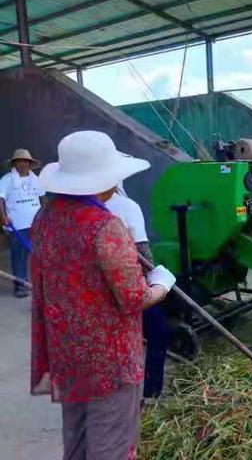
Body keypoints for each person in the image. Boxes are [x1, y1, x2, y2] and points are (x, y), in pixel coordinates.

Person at [30, 131, 176, 460]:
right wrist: (162, 284)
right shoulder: (105, 227)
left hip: (67, 349)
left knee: (78, 438)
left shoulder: (45, 219)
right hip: (109, 360)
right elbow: (134, 298)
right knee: (111, 442)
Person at [105, 192, 169, 401]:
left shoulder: (65, 209)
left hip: (89, 294)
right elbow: (143, 254)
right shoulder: (126, 206)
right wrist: (159, 283)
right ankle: (150, 394)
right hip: (124, 287)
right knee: (158, 330)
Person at [0, 149, 45, 297]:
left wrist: (47, 216)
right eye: (20, 160)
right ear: (15, 163)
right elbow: (1, 200)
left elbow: (42, 199)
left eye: (26, 161)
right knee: (18, 255)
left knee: (37, 255)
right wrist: (3, 217)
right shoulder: (7, 179)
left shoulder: (35, 179)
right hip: (18, 224)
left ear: (30, 163)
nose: (23, 163)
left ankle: (38, 285)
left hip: (36, 223)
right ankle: (20, 286)